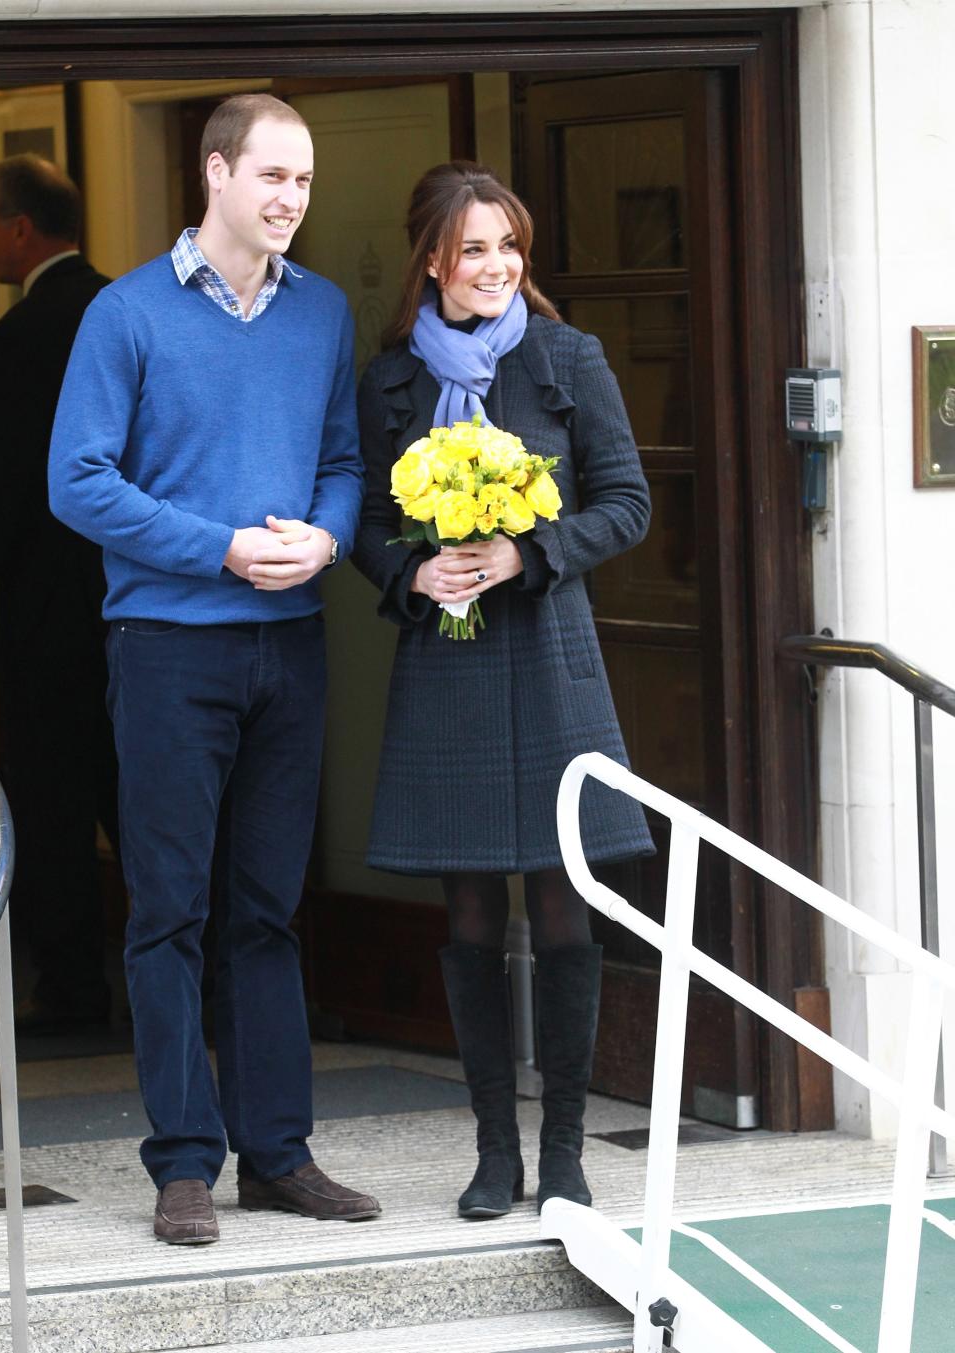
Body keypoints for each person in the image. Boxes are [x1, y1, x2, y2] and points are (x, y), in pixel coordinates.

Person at [48, 93, 379, 1245]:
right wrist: (223, 547)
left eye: (305, 181)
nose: (291, 199)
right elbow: (76, 482)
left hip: (289, 648)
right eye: (273, 176)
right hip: (166, 650)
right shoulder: (125, 315)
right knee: (169, 911)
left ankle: (275, 1155)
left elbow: (343, 460)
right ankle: (183, 1162)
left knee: (267, 912)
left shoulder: (323, 312)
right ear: (217, 173)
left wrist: (329, 538)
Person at [353, 161, 654, 1219]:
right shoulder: (389, 380)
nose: (495, 267)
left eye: (508, 247)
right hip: (448, 666)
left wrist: (532, 553)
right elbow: (364, 524)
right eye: (473, 249)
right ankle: (494, 1154)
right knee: (471, 913)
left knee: (565, 909)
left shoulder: (569, 355)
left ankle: (565, 1153)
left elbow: (629, 501)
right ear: (432, 259)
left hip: (551, 658)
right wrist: (410, 569)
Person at [0, 154, 118, 1035]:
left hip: (42, 612)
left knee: (52, 807)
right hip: (141, 599)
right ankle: (192, 987)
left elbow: (6, 488)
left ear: (18, 229)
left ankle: (73, 986)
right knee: (145, 802)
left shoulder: (19, 335)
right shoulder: (131, 308)